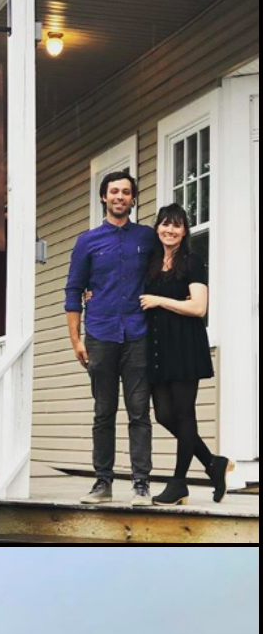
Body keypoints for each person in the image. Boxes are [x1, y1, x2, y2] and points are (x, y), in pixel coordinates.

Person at [63, 171, 157, 505]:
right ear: (104, 197)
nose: (120, 196)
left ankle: (141, 484)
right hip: (100, 334)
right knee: (103, 411)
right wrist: (76, 339)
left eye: (126, 192)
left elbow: (166, 270)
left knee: (138, 412)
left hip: (138, 335)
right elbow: (74, 290)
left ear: (133, 199)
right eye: (114, 191)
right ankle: (102, 482)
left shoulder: (147, 238)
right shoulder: (87, 241)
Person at [139, 203, 234, 504]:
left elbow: (199, 307)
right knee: (165, 414)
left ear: (184, 231)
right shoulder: (152, 262)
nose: (170, 230)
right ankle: (212, 463)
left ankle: (179, 483)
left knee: (184, 413)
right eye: (165, 224)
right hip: (156, 347)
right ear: (157, 228)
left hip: (184, 345)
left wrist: (159, 300)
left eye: (177, 225)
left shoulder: (192, 261)